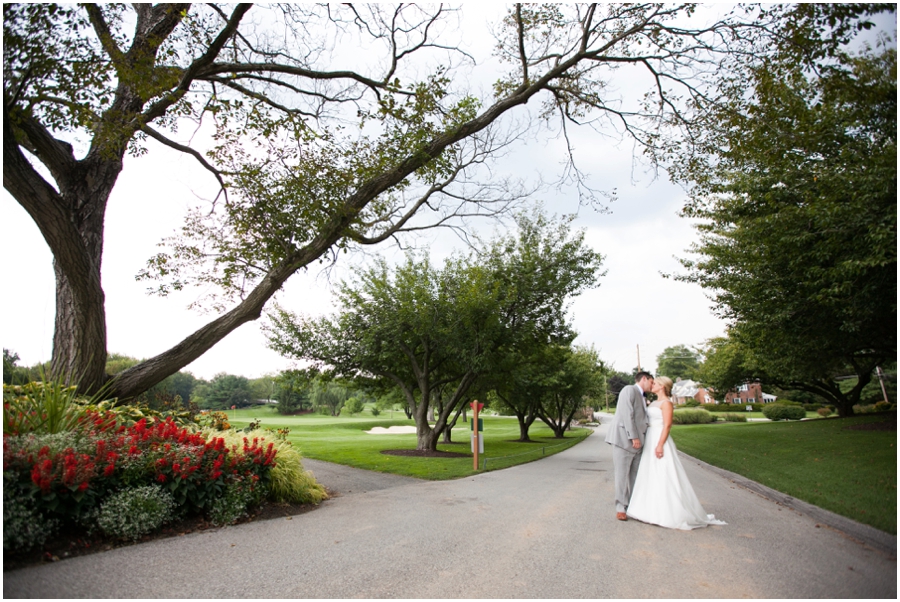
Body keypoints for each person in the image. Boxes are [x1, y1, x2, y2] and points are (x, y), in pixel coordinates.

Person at [626, 375, 726, 529]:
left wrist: (660, 445)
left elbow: (667, 426)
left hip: (659, 438)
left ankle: (670, 512)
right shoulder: (652, 402)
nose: (652, 385)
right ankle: (650, 510)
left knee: (664, 474)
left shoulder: (667, 403)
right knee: (650, 474)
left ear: (662, 386)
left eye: (655, 383)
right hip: (650, 437)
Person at [605, 371, 654, 521]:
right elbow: (627, 414)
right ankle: (620, 507)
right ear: (644, 379)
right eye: (652, 382)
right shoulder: (629, 390)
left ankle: (633, 506)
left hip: (639, 445)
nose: (653, 385)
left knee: (635, 477)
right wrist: (633, 436)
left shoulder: (643, 397)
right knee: (622, 475)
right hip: (624, 441)